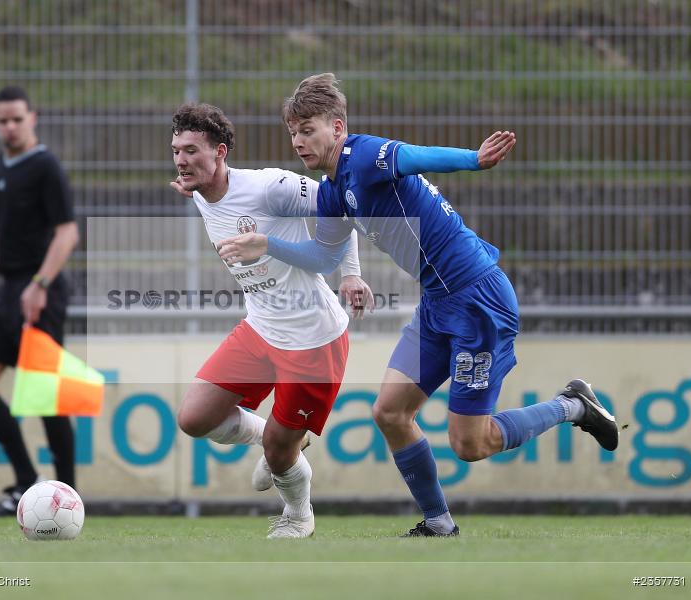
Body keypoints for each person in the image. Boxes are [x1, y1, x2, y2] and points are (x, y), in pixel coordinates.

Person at [216, 73, 620, 537]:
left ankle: (572, 406)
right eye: (293, 132)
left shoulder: (363, 155)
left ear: (338, 127)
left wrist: (473, 160)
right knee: (389, 412)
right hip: (437, 303)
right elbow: (324, 257)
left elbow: (414, 156)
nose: (298, 141)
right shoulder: (331, 192)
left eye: (308, 130)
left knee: (471, 443)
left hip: (478, 301)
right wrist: (268, 245)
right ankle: (439, 524)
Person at [170, 103, 373, 538]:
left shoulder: (270, 187)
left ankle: (299, 516)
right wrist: (194, 182)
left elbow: (340, 206)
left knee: (280, 456)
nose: (181, 161)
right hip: (260, 329)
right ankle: (280, 438)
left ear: (220, 152)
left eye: (191, 151)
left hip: (313, 339)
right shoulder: (202, 192)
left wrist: (351, 273)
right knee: (194, 418)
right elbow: (211, 194)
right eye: (176, 152)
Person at [0, 85, 80, 517]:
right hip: (6, 290)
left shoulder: (45, 167)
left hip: (39, 292)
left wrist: (40, 283)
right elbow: (0, 230)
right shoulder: (2, 163)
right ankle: (26, 481)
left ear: (33, 118)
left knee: (44, 395)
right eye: (2, 121)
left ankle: (68, 497)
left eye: (17, 119)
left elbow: (68, 233)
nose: (10, 127)